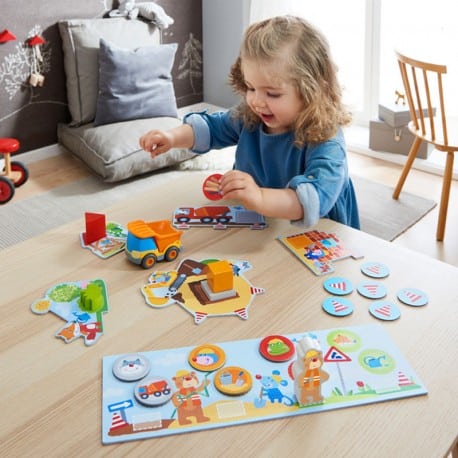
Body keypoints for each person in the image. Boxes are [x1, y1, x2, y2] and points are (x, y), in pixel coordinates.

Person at [139, 15, 360, 229]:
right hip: (261, 220)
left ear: (311, 91)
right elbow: (212, 128)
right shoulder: (250, 116)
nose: (256, 101)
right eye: (251, 88)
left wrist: (260, 196)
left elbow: (313, 199)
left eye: (272, 94)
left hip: (317, 230)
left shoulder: (327, 139)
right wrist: (172, 137)